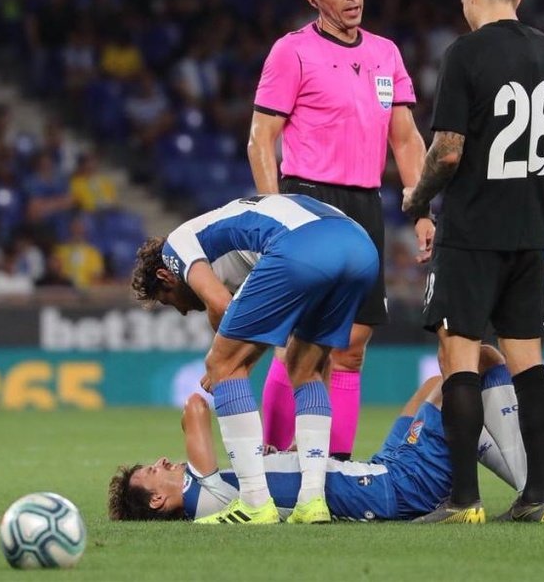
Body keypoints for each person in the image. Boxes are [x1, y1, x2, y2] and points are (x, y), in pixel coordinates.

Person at [402, 0, 544, 524]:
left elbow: (447, 150)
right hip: (530, 229)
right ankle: (539, 497)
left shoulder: (465, 54)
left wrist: (417, 198)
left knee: (460, 360)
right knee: (529, 363)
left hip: (473, 232)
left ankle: (465, 501)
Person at [247, 0, 433, 462]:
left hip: (365, 206)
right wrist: (274, 214)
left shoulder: (385, 53)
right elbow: (261, 139)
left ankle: (338, 469)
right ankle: (272, 457)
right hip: (309, 204)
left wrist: (420, 208)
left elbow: (406, 139)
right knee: (303, 346)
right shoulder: (292, 51)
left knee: (351, 348)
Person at [108, 345, 544, 523]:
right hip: (393, 486)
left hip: (377, 472)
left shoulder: (221, 500)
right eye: (155, 472)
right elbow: (196, 407)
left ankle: (531, 489)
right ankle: (535, 492)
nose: (164, 463)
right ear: (157, 501)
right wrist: (220, 367)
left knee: (438, 385)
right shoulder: (205, 494)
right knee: (482, 361)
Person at [130, 193, 379, 525]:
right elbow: (254, 320)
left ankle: (254, 502)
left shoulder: (176, 248)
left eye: (169, 300)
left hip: (303, 246)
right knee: (307, 366)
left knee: (220, 366)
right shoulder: (241, 258)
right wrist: (242, 355)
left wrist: (228, 361)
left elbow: (219, 304)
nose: (183, 309)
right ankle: (312, 500)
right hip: (361, 247)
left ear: (166, 276)